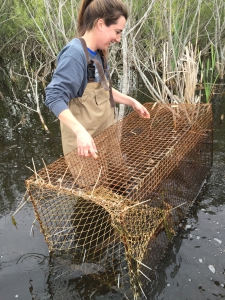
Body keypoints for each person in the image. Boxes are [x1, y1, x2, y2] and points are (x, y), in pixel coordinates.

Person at [45, 0, 150, 159]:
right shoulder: (75, 54)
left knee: (116, 178)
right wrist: (80, 132)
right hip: (86, 147)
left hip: (106, 135)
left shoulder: (98, 53)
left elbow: (103, 91)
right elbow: (54, 97)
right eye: (117, 31)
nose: (118, 39)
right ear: (100, 24)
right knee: (94, 184)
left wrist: (131, 101)